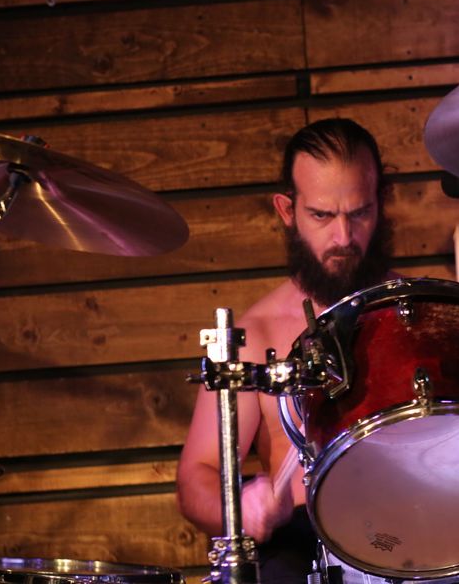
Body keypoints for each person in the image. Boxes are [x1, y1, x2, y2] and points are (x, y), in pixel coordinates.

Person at [176, 118, 397, 581]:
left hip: (420, 526)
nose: (343, 237)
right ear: (287, 210)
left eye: (359, 213)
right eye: (322, 215)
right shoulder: (254, 335)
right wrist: (239, 509)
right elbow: (197, 475)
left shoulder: (423, 316)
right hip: (307, 550)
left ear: (381, 202)